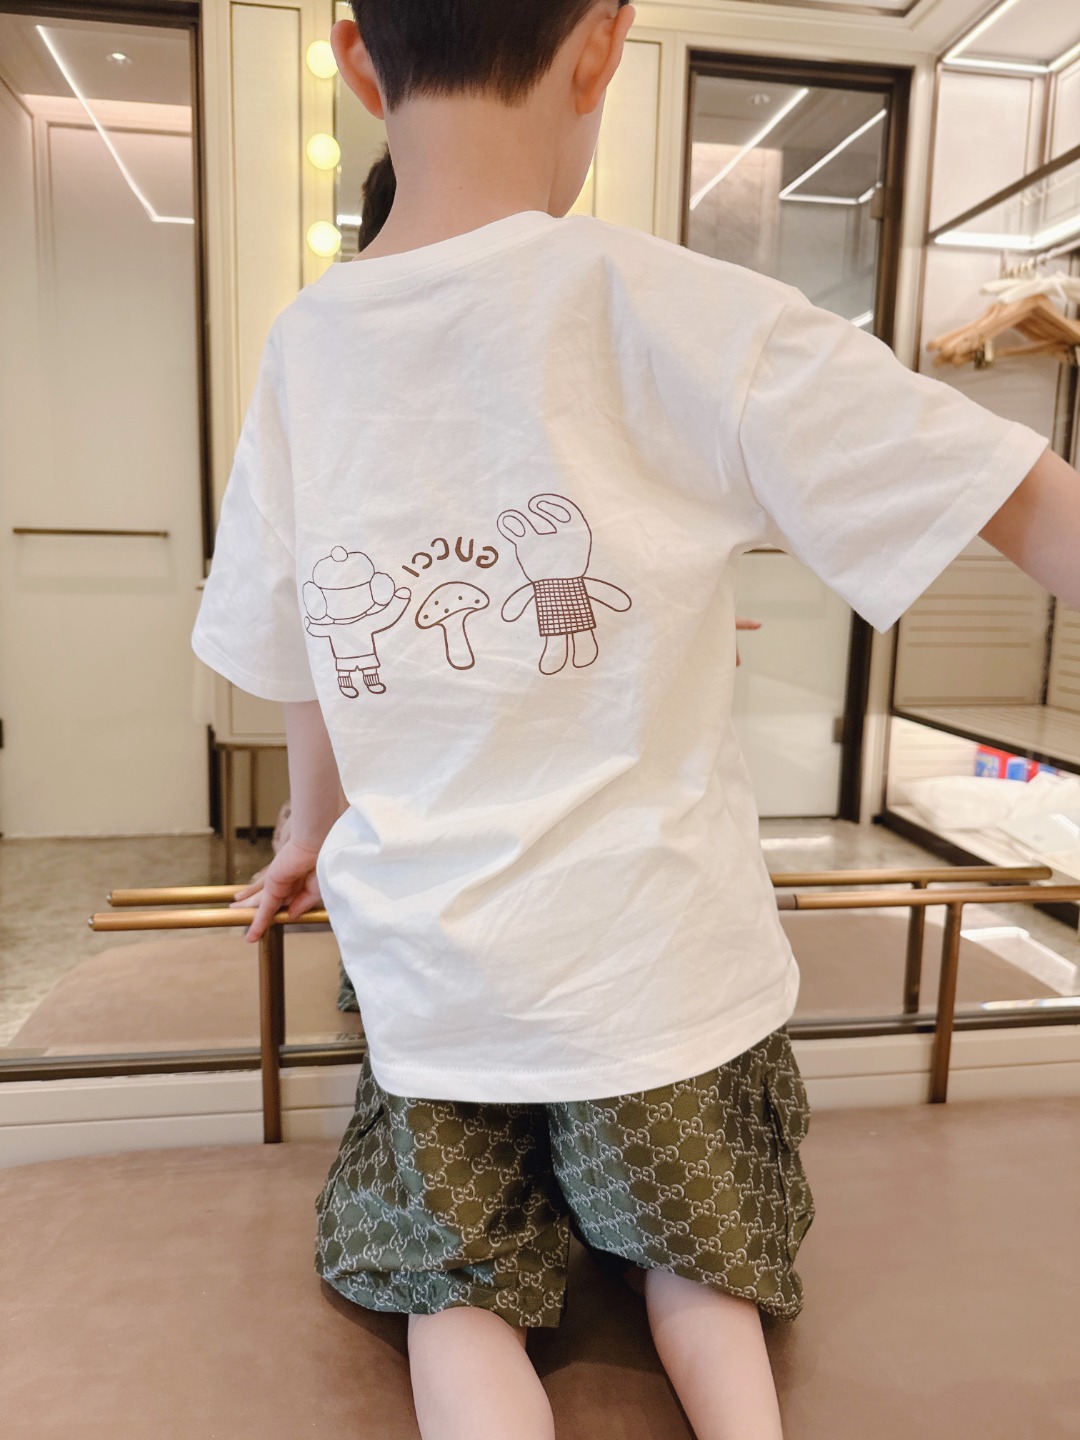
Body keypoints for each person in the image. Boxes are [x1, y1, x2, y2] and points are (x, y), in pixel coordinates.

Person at [191, 3, 1080, 1436]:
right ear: (599, 47)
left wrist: (306, 832)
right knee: (698, 1280)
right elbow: (1020, 497)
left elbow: (302, 645)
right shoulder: (682, 307)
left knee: (454, 1297)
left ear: (355, 58)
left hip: (439, 981)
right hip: (657, 968)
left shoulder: (309, 348)